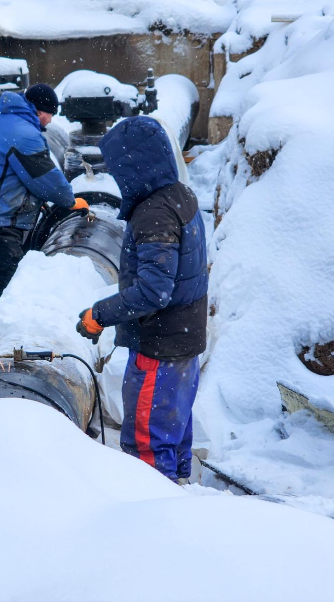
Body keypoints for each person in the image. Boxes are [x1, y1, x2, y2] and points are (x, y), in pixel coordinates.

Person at [75, 116, 208, 483]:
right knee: (173, 435)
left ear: (135, 165)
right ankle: (180, 494)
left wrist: (99, 314)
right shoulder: (181, 195)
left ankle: (151, 523)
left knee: (146, 447)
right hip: (184, 341)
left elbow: (154, 291)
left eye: (119, 168)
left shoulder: (154, 213)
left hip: (160, 348)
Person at [0, 83, 88, 300]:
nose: (50, 121)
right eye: (49, 114)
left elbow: (13, 174)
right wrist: (70, 201)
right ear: (39, 110)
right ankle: (7, 332)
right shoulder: (23, 134)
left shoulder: (1, 122)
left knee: (0, 288)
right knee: (11, 296)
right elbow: (44, 178)